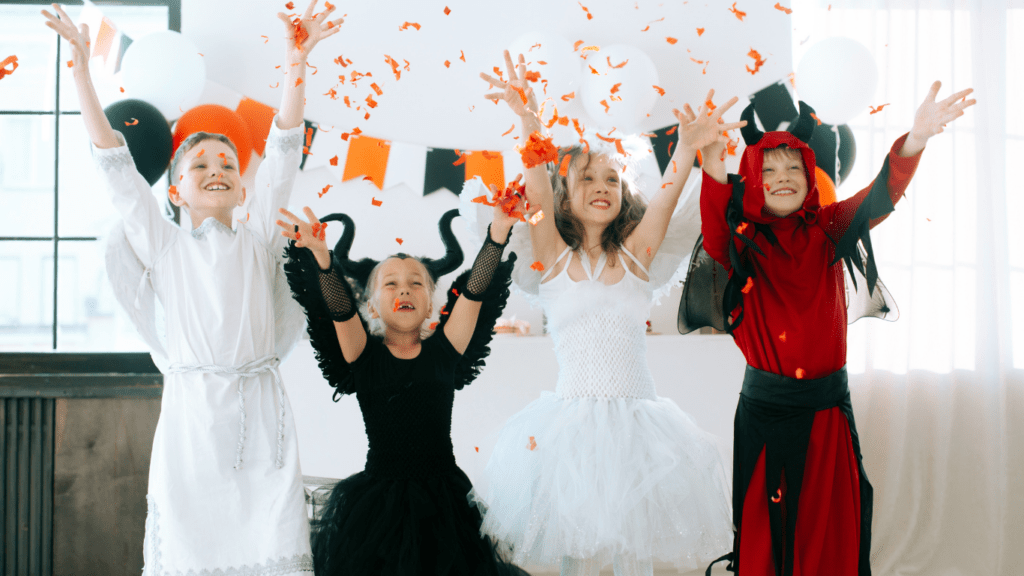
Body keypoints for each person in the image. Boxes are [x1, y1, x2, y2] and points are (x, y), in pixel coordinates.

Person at [43, 2, 344, 573]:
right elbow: (116, 165)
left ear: (241, 187)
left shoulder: (258, 238)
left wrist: (296, 62)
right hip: (192, 423)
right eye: (199, 162)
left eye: (228, 162)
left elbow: (283, 149)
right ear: (176, 192)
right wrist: (83, 71)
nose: (217, 168)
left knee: (270, 549)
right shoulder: (164, 245)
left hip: (262, 420)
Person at [460, 51, 742, 576]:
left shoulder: (635, 256)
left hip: (638, 423)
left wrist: (685, 147)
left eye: (612, 180)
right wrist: (529, 122)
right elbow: (537, 183)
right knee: (574, 550)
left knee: (630, 549)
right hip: (568, 426)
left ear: (622, 193)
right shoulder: (552, 260)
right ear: (567, 198)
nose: (601, 188)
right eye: (588, 179)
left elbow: (664, 199)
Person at [692, 83, 975, 576]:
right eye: (769, 169)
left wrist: (917, 138)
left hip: (828, 415)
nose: (783, 178)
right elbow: (715, 229)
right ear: (753, 179)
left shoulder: (830, 228)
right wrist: (713, 162)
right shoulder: (743, 241)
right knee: (770, 539)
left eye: (794, 168)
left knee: (832, 531)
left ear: (810, 176)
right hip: (767, 415)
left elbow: (880, 196)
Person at [279, 204, 529, 576]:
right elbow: (339, 309)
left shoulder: (445, 352)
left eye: (416, 283)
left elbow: (475, 292)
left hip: (445, 499)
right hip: (378, 500)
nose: (405, 289)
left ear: (431, 304)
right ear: (372, 307)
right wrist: (321, 257)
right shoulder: (362, 355)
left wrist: (497, 235)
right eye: (391, 283)